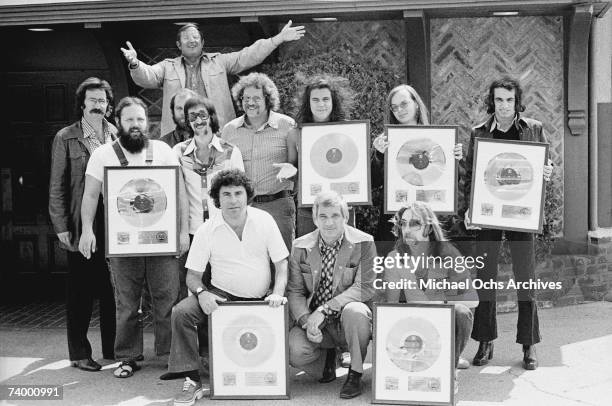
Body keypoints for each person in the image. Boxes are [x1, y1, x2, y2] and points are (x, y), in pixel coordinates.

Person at [79, 96, 190, 378]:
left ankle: (169, 355)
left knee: (167, 299)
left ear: (147, 122)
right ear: (118, 121)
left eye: (140, 119)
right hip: (122, 242)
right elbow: (90, 195)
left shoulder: (163, 151)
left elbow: (179, 194)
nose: (136, 125)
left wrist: (181, 232)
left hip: (161, 241)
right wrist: (87, 229)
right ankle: (128, 357)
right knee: (127, 303)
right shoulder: (102, 155)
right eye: (129, 119)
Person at [166, 169, 289, 406]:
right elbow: (192, 276)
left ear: (247, 195)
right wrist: (201, 294)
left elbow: (281, 264)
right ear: (217, 199)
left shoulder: (264, 221)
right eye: (226, 194)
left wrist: (278, 292)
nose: (233, 200)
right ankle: (192, 380)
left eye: (238, 193)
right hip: (221, 296)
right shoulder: (206, 230)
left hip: (262, 298)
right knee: (181, 313)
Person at [463, 77, 553, 370]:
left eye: (509, 100)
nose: (504, 106)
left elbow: (541, 172)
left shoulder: (534, 129)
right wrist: (469, 209)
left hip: (520, 212)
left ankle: (529, 344)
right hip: (488, 212)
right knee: (485, 275)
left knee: (525, 277)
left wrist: (546, 173)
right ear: (492, 101)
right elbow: (470, 175)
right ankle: (485, 340)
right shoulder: (478, 132)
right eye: (499, 100)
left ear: (517, 101)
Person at [121, 21, 305, 135]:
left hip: (217, 130)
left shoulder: (219, 62)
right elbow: (148, 76)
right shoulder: (167, 66)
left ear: (202, 43)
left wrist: (277, 39)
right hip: (179, 133)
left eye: (195, 37)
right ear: (179, 44)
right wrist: (135, 63)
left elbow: (247, 55)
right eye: (186, 38)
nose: (192, 40)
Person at [48, 77, 117, 371]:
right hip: (80, 223)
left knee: (113, 289)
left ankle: (115, 350)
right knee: (81, 291)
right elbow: (57, 185)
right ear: (82, 104)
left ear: (108, 105)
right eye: (92, 101)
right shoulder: (66, 137)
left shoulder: (117, 134)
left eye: (102, 101)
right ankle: (78, 353)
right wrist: (61, 226)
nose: (97, 106)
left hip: (115, 224)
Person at [287, 191, 377, 399]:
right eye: (323, 216)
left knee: (356, 311)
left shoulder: (365, 243)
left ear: (345, 217)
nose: (329, 223)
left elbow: (364, 287)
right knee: (294, 349)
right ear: (315, 219)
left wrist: (325, 309)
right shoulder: (300, 246)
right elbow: (296, 291)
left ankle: (355, 373)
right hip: (317, 323)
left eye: (335, 216)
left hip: (348, 321)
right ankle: (327, 360)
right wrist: (306, 321)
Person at [383, 201, 478, 392]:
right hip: (415, 325)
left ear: (429, 227)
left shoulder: (448, 254)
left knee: (461, 312)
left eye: (415, 223)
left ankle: (450, 369)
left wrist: (440, 297)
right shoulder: (394, 257)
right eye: (403, 223)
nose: (407, 229)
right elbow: (390, 305)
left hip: (444, 321)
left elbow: (472, 300)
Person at [372, 84, 463, 246]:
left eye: (404, 104)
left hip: (425, 218)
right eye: (394, 107)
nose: (399, 110)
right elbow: (374, 181)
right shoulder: (385, 142)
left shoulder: (437, 140)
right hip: (394, 221)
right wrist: (379, 154)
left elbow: (451, 181)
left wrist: (455, 160)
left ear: (416, 103)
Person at [172, 95, 244, 299]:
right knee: (193, 290)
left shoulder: (230, 151)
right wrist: (182, 232)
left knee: (222, 288)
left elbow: (239, 196)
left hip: (223, 228)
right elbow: (179, 194)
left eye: (202, 114)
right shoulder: (179, 152)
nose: (197, 120)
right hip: (193, 231)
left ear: (211, 117)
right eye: (192, 116)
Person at [221, 72, 298, 251]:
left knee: (282, 260)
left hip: (278, 205)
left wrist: (292, 170)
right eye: (245, 98)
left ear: (268, 99)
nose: (250, 102)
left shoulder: (287, 126)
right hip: (243, 207)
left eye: (256, 97)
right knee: (247, 259)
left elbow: (298, 167)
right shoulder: (230, 130)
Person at [292, 75, 356, 237]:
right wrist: (290, 171)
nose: (321, 104)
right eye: (315, 100)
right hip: (309, 209)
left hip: (342, 208)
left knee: (346, 259)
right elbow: (293, 176)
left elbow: (355, 167)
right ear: (308, 103)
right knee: (309, 258)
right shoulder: (295, 134)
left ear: (333, 101)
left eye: (326, 99)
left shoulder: (348, 132)